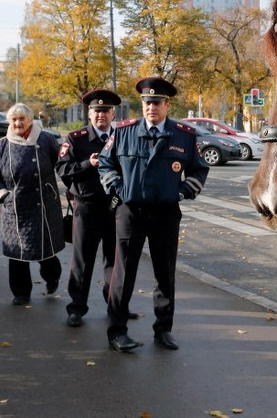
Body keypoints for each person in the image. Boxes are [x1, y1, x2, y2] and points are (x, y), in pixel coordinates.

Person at [98, 77, 209, 352]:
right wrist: (118, 188)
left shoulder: (184, 135)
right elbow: (105, 163)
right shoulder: (123, 132)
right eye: (147, 102)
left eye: (156, 102)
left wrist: (182, 192)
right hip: (130, 212)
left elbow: (199, 170)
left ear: (167, 105)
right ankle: (117, 332)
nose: (151, 107)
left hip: (165, 213)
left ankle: (163, 329)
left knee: (165, 273)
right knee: (123, 273)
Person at [56, 89, 128, 327]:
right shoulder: (76, 139)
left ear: (113, 113)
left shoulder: (123, 136)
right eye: (97, 111)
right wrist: (89, 164)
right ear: (89, 114)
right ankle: (76, 308)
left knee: (115, 260)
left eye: (105, 111)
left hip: (115, 207)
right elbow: (62, 170)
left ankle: (115, 305)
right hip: (86, 207)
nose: (101, 115)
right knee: (82, 261)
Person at [0, 103, 64, 305]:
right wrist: (2, 194)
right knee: (17, 252)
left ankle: (52, 277)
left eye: (22, 118)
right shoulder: (1, 145)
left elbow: (63, 165)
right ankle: (21, 293)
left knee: (45, 251)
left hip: (44, 204)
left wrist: (72, 188)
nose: (18, 123)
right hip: (16, 207)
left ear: (30, 120)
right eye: (14, 119)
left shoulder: (45, 139)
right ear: (9, 121)